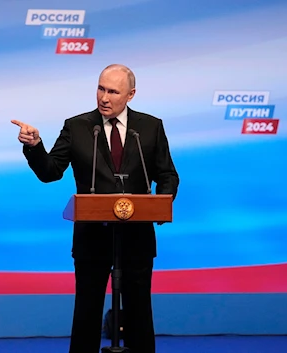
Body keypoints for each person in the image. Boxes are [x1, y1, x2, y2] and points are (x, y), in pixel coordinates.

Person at [11, 64, 179, 353]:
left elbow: (167, 175)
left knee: (139, 311)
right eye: (101, 88)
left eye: (113, 91)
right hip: (91, 236)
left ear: (131, 95)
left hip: (137, 235)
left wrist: (159, 205)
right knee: (87, 311)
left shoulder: (150, 127)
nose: (104, 97)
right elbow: (51, 171)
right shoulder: (77, 126)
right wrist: (35, 146)